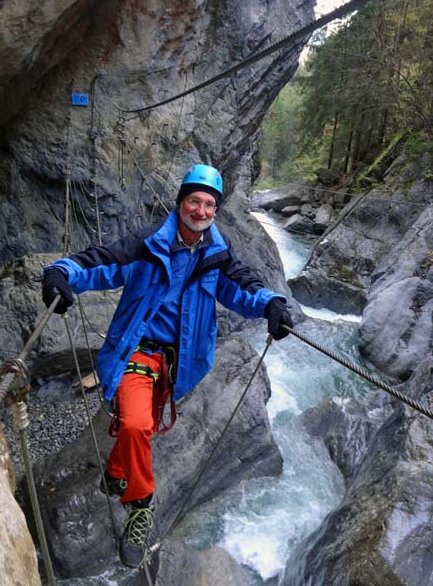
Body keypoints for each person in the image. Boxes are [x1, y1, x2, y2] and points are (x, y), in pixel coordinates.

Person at [41, 164, 293, 568]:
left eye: (210, 204)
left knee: (137, 425)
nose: (201, 210)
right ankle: (140, 507)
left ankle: (118, 470)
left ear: (215, 211)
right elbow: (100, 263)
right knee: (138, 424)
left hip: (179, 362)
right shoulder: (147, 245)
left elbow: (242, 288)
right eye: (195, 200)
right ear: (180, 203)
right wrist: (59, 273)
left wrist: (272, 305)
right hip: (137, 351)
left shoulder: (216, 256)